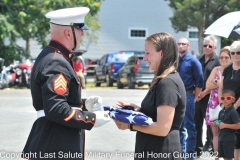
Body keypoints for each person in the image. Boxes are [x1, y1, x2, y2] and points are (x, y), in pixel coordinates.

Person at [21, 7, 110, 160]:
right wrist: (92, 118)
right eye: (80, 29)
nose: (83, 33)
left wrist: (83, 104)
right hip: (55, 143)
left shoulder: (53, 56)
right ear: (68, 33)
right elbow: (55, 108)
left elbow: (57, 100)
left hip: (52, 140)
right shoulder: (57, 61)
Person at [114, 32, 186, 160]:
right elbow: (156, 115)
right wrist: (138, 111)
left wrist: (130, 125)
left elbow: (162, 128)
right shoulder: (162, 80)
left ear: (162, 53)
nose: (144, 58)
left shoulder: (168, 83)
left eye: (147, 53)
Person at [177, 37, 204, 159]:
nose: (181, 46)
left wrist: (194, 97)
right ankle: (181, 154)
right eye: (179, 44)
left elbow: (200, 81)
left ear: (188, 46)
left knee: (190, 127)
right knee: (179, 127)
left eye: (183, 44)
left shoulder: (193, 61)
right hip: (177, 97)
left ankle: (190, 156)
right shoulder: (175, 61)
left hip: (188, 96)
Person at [195, 35, 220, 155]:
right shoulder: (198, 60)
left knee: (210, 124)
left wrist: (204, 92)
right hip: (197, 97)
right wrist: (197, 94)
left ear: (214, 48)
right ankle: (197, 147)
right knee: (196, 123)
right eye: (205, 45)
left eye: (210, 46)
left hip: (210, 98)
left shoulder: (217, 61)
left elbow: (216, 82)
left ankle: (210, 145)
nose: (207, 47)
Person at [204, 48, 231, 156]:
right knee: (215, 132)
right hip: (214, 104)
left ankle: (226, 155)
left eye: (226, 57)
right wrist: (219, 83)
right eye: (221, 57)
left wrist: (216, 83)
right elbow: (207, 85)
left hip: (227, 103)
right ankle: (216, 155)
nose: (223, 59)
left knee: (226, 132)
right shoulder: (216, 69)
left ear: (230, 58)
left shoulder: (232, 70)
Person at [218, 41, 240, 160]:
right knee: (228, 138)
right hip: (226, 107)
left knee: (238, 140)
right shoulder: (227, 68)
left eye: (238, 52)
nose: (236, 55)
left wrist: (235, 106)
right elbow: (221, 86)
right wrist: (222, 103)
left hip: (237, 108)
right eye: (233, 53)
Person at [217, 89, 240, 160]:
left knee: (228, 157)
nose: (225, 100)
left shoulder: (233, 112)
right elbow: (219, 122)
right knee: (224, 157)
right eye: (223, 98)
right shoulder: (221, 111)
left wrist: (225, 125)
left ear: (233, 100)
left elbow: (238, 125)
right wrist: (217, 123)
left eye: (228, 98)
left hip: (229, 139)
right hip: (221, 138)